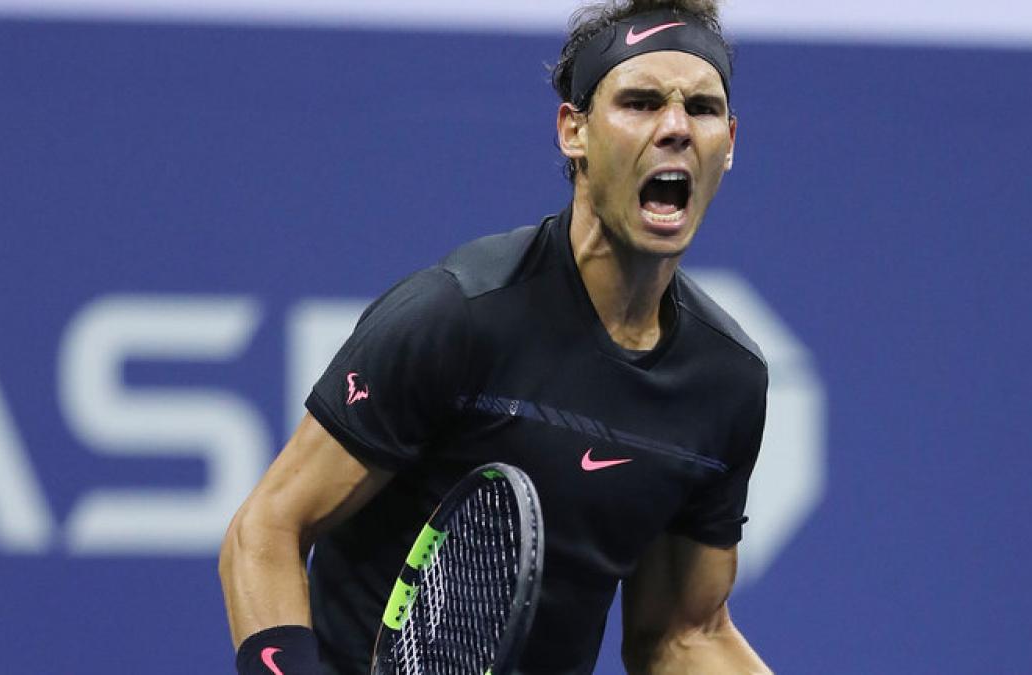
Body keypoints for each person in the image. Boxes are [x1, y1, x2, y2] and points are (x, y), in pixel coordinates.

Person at [220, 1, 771, 673]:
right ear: (574, 131)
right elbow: (267, 528)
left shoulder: (725, 382)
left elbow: (683, 634)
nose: (677, 128)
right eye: (641, 102)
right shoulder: (457, 315)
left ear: (731, 141)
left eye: (703, 109)